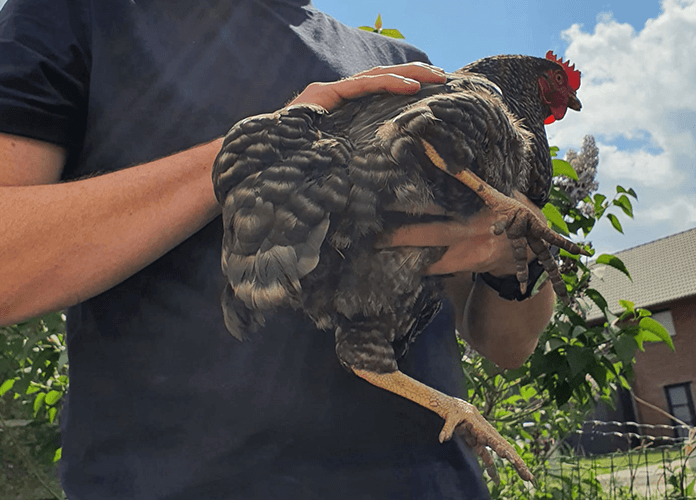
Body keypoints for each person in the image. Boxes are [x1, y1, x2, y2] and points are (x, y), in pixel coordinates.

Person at [0, 0, 554, 498]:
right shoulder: (82, 14)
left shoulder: (402, 63)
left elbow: (505, 342)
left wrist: (512, 258)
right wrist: (263, 148)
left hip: (430, 481)